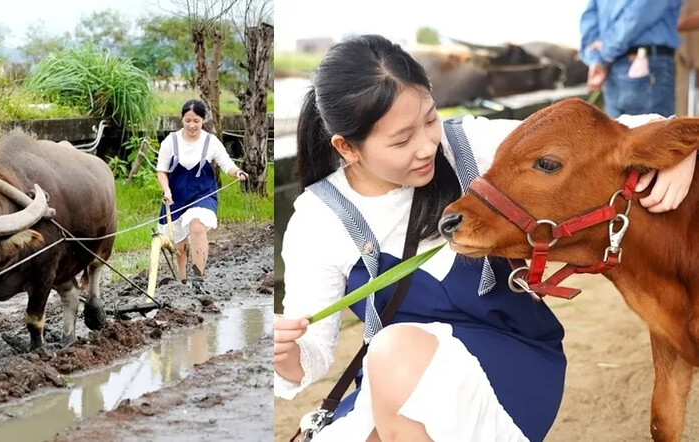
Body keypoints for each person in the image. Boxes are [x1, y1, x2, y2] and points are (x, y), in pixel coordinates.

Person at [274, 35, 697, 442]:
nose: (427, 147)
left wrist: (683, 153)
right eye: (402, 140)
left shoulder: (469, 145)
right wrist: (285, 352)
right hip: (398, 382)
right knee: (386, 378)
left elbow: (616, 136)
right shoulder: (318, 219)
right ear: (347, 149)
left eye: (430, 119)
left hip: (506, 361)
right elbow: (310, 355)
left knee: (391, 352)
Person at [156, 99, 247, 292]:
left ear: (203, 120)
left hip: (203, 194)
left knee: (197, 225)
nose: (192, 125)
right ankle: (182, 282)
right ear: (182, 119)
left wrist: (238, 172)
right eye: (188, 120)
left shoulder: (210, 142)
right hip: (175, 197)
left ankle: (198, 279)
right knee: (179, 248)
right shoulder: (170, 142)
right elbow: (161, 171)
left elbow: (227, 165)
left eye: (196, 121)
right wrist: (166, 191)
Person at [580, 0, 683, 117]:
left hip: (613, 65)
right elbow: (637, 16)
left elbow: (590, 21)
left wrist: (598, 57)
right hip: (644, 65)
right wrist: (603, 52)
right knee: (653, 127)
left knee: (617, 126)